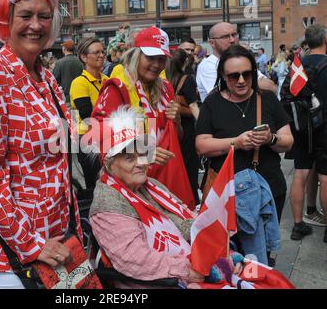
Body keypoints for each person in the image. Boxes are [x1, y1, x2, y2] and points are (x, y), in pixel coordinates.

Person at [0, 0, 82, 289]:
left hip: (59, 238)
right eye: (26, 15)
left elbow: (55, 154)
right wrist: (31, 243)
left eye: (44, 16)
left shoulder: (45, 76)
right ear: (5, 21)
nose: (36, 25)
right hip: (13, 253)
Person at [88, 106, 245, 288]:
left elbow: (194, 223)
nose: (141, 163)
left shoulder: (152, 186)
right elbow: (136, 259)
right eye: (130, 158)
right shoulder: (107, 202)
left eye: (143, 154)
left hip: (187, 268)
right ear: (109, 165)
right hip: (161, 282)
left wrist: (224, 253)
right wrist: (194, 269)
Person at [195, 45, 293, 264]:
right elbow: (201, 145)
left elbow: (287, 141)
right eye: (233, 76)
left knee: (261, 258)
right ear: (223, 75)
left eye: (247, 74)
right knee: (227, 256)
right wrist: (236, 143)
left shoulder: (267, 99)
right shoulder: (212, 102)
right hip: (224, 193)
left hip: (267, 188)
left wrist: (270, 139)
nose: (241, 80)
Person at [92, 26, 196, 210]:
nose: (156, 64)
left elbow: (174, 140)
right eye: (150, 57)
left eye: (162, 59)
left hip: (163, 182)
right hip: (130, 188)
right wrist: (145, 153)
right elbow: (101, 139)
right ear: (135, 54)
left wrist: (177, 122)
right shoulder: (118, 87)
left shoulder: (166, 89)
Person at [288, 24, 327, 242]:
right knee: (325, 175)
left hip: (301, 127)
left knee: (300, 173)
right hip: (324, 128)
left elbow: (286, 96)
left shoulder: (297, 66)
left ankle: (298, 224)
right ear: (325, 40)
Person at [196, 22, 277, 102]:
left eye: (234, 35)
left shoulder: (243, 61)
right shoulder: (208, 65)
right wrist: (256, 83)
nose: (232, 40)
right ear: (212, 43)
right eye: (225, 36)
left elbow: (271, 87)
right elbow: (227, 94)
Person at [69, 37, 108, 190]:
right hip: (88, 140)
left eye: (103, 52)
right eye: (96, 52)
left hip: (107, 138)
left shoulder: (107, 79)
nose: (101, 55)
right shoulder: (79, 82)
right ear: (84, 57)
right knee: (95, 185)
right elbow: (87, 117)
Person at [165, 48, 200, 205]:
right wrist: (203, 127)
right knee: (189, 168)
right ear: (184, 62)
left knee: (175, 167)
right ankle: (191, 201)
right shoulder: (187, 79)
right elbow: (193, 106)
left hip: (170, 129)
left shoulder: (165, 81)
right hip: (186, 129)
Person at [53, 40, 83, 105]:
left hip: (66, 97)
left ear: (64, 49)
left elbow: (54, 80)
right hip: (80, 95)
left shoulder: (59, 62)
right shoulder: (80, 62)